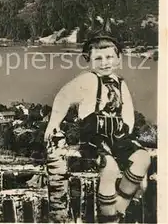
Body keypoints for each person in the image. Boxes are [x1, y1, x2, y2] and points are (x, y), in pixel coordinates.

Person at [44, 32, 151, 223]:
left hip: (118, 135)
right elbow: (63, 96)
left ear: (118, 58)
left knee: (143, 159)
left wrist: (127, 131)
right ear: (89, 61)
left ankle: (119, 208)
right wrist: (54, 123)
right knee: (109, 169)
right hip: (95, 136)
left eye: (109, 57)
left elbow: (127, 111)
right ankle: (109, 219)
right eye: (98, 58)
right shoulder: (87, 80)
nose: (105, 62)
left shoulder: (121, 83)